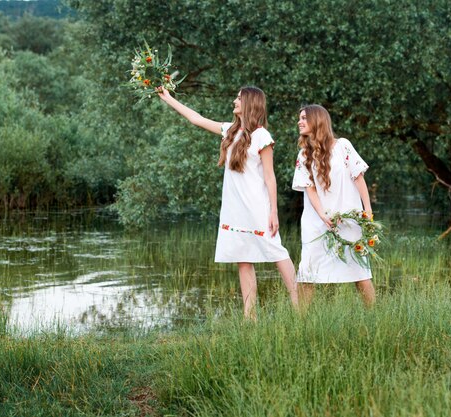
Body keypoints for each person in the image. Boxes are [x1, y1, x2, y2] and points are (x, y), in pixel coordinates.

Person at [158, 87, 298, 318]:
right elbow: (197, 119)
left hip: (256, 207)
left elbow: (270, 176)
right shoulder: (230, 132)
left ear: (250, 103)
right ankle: (249, 317)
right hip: (235, 209)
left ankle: (299, 305)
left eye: (239, 98)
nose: (234, 101)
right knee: (242, 259)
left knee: (276, 253)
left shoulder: (262, 136)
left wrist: (273, 211)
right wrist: (168, 98)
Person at [291, 104, 375, 306]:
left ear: (318, 120)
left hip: (348, 220)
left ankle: (375, 315)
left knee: (359, 271)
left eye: (304, 118)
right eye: (300, 118)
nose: (300, 121)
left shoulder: (343, 146)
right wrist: (322, 215)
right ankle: (299, 324)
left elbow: (359, 178)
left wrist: (368, 212)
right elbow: (309, 187)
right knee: (307, 272)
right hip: (317, 222)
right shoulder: (304, 155)